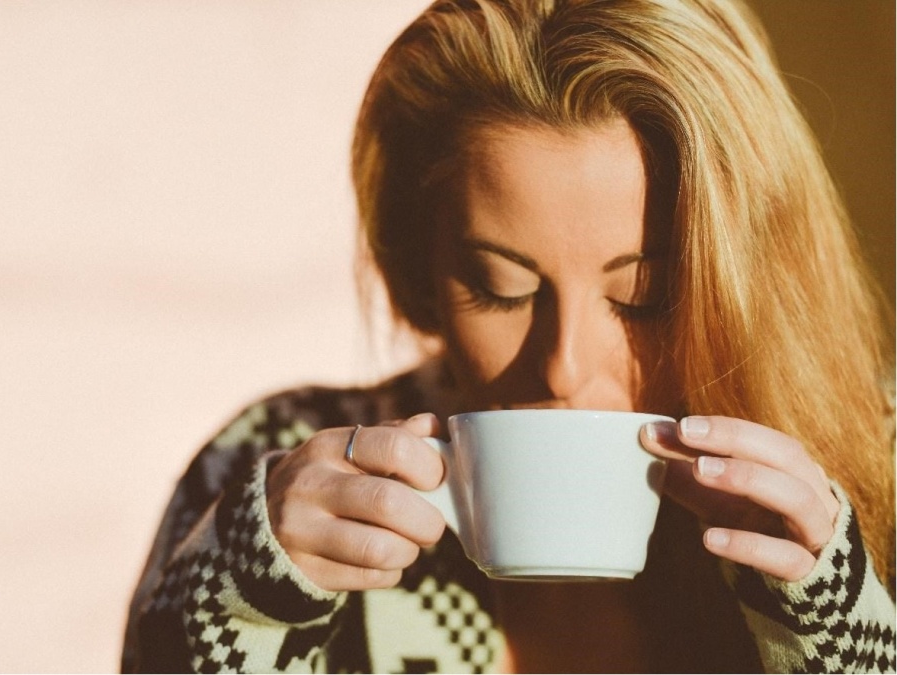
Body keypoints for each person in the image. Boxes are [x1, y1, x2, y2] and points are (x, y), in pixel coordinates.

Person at [122, 0, 896, 672]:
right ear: (420, 266)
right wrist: (241, 614)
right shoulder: (276, 461)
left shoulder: (877, 463)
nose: (562, 367)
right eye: (502, 288)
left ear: (752, 275)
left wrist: (843, 631)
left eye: (643, 297)